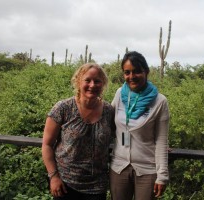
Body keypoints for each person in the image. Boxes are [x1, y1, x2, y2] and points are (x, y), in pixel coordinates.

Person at [42, 63, 115, 200]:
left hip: (97, 187)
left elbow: (124, 134)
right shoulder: (63, 108)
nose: (92, 85)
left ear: (103, 84)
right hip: (65, 184)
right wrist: (54, 176)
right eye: (87, 80)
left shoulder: (109, 111)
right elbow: (46, 145)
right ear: (78, 81)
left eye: (97, 81)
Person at [110, 51, 170, 200]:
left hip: (147, 169)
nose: (132, 76)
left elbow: (161, 140)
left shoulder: (160, 101)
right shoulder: (119, 94)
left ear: (146, 72)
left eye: (137, 71)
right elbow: (108, 122)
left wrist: (162, 175)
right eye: (127, 72)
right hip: (119, 167)